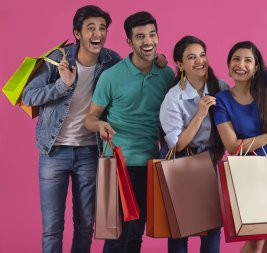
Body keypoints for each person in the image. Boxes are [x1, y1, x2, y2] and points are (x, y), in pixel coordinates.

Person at [21, 5, 121, 253]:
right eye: (90, 28)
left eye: (102, 28)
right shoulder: (58, 59)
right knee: (52, 227)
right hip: (53, 152)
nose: (97, 33)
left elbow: (134, 69)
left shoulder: (111, 61)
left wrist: (160, 61)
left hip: (89, 152)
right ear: (77, 34)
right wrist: (62, 86)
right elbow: (28, 96)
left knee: (86, 224)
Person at [84, 11, 174, 253]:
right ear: (129, 42)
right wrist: (100, 125)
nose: (148, 42)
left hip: (150, 164)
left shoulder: (166, 74)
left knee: (135, 235)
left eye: (152, 35)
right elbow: (90, 118)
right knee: (117, 237)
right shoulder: (111, 76)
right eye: (140, 36)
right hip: (118, 163)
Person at [213, 41, 267, 253]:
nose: (241, 64)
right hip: (251, 175)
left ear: (256, 67)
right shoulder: (222, 101)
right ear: (228, 64)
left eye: (247, 60)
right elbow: (233, 147)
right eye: (236, 59)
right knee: (255, 239)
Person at [159, 35, 229, 253]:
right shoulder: (173, 97)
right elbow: (177, 144)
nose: (200, 61)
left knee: (213, 226)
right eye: (191, 57)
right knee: (181, 227)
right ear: (180, 65)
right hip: (181, 160)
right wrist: (199, 115)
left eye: (202, 55)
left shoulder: (221, 87)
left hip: (209, 159)